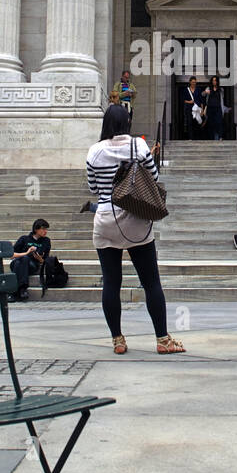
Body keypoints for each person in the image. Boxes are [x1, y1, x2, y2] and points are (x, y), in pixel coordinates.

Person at [86, 103, 185, 355]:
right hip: (135, 219)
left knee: (111, 282)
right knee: (151, 282)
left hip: (106, 219)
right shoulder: (138, 146)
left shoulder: (94, 151)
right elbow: (153, 179)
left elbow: (94, 189)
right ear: (126, 123)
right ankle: (163, 339)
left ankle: (118, 340)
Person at [9, 218, 51, 302]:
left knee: (20, 262)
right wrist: (26, 253)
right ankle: (22, 290)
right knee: (21, 260)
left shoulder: (46, 241)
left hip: (32, 266)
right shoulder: (24, 239)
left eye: (46, 229)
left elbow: (44, 260)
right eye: (43, 229)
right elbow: (11, 255)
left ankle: (13, 292)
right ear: (36, 229)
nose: (45, 231)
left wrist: (40, 259)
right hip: (18, 262)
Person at [203, 74, 227, 141]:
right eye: (213, 80)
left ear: (217, 82)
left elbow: (222, 99)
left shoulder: (221, 90)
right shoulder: (208, 88)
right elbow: (202, 94)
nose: (214, 82)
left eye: (215, 80)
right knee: (211, 124)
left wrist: (225, 109)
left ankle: (220, 137)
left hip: (218, 108)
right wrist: (205, 92)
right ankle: (211, 138)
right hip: (210, 108)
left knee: (219, 122)